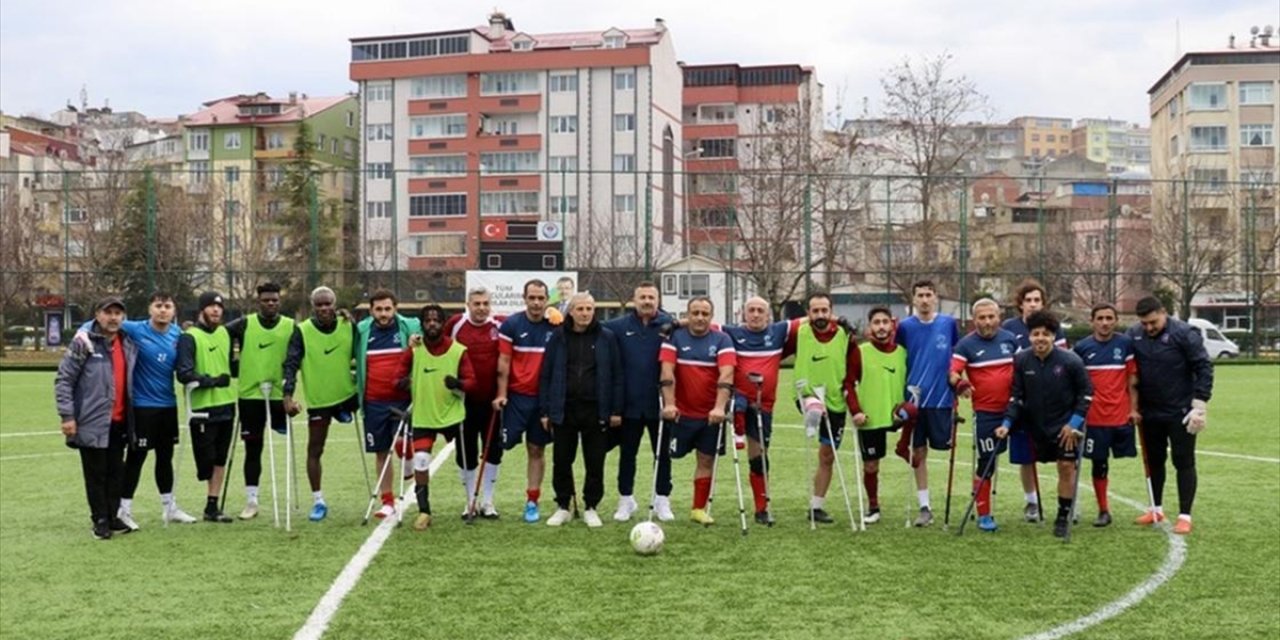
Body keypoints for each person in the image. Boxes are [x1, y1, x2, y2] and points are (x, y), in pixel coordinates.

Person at [74, 291, 198, 527]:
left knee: (165, 458)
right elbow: (100, 323)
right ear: (150, 308)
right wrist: (82, 331)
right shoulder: (134, 328)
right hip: (141, 407)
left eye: (168, 306)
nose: (163, 310)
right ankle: (124, 510)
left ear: (174, 311)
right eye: (158, 305)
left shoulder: (178, 335)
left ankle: (169, 507)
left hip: (168, 406)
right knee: (136, 458)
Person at [1002, 311, 1093, 538]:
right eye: (1035, 334)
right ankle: (1032, 504)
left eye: (1045, 334)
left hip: (1066, 427)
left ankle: (1063, 516)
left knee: (1065, 467)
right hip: (1035, 427)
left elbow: (1087, 395)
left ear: (1053, 336)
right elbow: (1016, 396)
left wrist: (1073, 424)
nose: (1040, 338)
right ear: (1029, 336)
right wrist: (1006, 423)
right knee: (1026, 464)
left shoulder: (1071, 361)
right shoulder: (1021, 360)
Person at [1127, 296, 1213, 535]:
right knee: (1154, 461)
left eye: (1153, 322)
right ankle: (1156, 508)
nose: (1149, 328)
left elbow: (1203, 366)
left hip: (1181, 412)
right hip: (1150, 412)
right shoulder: (1133, 335)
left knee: (1183, 461)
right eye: (1144, 323)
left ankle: (1185, 515)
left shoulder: (1185, 334)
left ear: (1163, 313)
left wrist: (1200, 404)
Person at [539, 293, 624, 528]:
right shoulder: (558, 337)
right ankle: (563, 506)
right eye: (580, 309)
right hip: (564, 409)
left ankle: (591, 506)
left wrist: (616, 410)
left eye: (589, 308)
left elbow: (617, 375)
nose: (585, 313)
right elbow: (546, 374)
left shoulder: (607, 337)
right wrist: (545, 410)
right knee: (562, 460)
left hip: (596, 410)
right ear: (571, 312)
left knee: (595, 461)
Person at [56, 296, 136, 539]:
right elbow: (64, 379)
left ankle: (112, 517)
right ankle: (99, 519)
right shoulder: (84, 342)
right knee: (96, 473)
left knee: (116, 472)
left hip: (119, 421)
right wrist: (67, 415)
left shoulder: (128, 343)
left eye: (117, 313)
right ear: (97, 315)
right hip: (91, 421)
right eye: (108, 312)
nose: (113, 318)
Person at [721, 296, 803, 525]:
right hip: (739, 399)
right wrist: (677, 324)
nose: (756, 314)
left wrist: (840, 320)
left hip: (764, 405)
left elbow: (811, 318)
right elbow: (703, 323)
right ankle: (736, 428)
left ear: (768, 315)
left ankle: (761, 508)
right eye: (751, 310)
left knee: (759, 458)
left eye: (760, 311)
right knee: (738, 406)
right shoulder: (732, 332)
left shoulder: (778, 332)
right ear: (743, 314)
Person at [282, 286, 360, 522]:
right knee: (315, 449)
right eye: (320, 305)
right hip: (319, 401)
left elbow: (364, 349)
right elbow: (291, 364)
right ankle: (318, 500)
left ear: (335, 305)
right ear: (313, 307)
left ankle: (343, 411)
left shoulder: (348, 325)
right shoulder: (302, 331)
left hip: (348, 395)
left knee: (364, 403)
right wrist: (288, 396)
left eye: (328, 304)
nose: (325, 308)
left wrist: (352, 317)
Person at [396, 305, 476, 530]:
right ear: (422, 324)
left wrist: (458, 384)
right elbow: (397, 376)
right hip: (424, 414)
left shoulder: (458, 350)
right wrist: (403, 383)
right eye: (428, 320)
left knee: (466, 458)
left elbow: (472, 381)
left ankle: (471, 502)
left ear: (443, 323)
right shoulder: (414, 349)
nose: (432, 324)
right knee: (421, 460)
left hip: (452, 414)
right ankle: (424, 511)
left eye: (436, 320)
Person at [603, 281, 676, 522]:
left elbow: (703, 325)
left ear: (658, 300)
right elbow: (589, 324)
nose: (646, 301)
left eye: (651, 297)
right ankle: (626, 500)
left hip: (660, 404)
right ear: (634, 300)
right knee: (627, 455)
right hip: (629, 405)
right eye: (642, 297)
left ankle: (662, 499)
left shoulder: (669, 325)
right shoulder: (619, 326)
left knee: (662, 454)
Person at [660, 296, 736, 525]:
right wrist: (670, 403)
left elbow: (727, 375)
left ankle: (698, 509)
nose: (700, 318)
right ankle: (662, 502)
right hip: (680, 413)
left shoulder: (723, 340)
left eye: (705, 313)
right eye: (695, 313)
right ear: (687, 315)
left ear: (712, 317)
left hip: (709, 416)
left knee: (705, 460)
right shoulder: (674, 337)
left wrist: (720, 408)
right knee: (665, 456)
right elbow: (666, 373)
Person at [224, 282, 294, 520]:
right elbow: (219, 335)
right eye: (266, 300)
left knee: (282, 442)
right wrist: (231, 364)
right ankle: (252, 500)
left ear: (279, 301)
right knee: (253, 449)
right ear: (259, 302)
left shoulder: (290, 326)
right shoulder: (244, 324)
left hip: (278, 396)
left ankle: (289, 498)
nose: (271, 303)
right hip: (250, 396)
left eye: (274, 300)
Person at [895, 279, 961, 526]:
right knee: (919, 452)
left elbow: (956, 356)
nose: (924, 300)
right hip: (914, 401)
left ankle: (952, 501)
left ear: (936, 298)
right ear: (913, 299)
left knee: (945, 450)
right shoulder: (905, 327)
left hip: (942, 399)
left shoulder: (948, 324)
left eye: (928, 295)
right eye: (920, 295)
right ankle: (925, 506)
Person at [1002, 279, 1068, 522]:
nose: (1032, 304)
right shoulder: (1008, 327)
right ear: (1020, 304)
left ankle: (1068, 503)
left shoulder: (1054, 328)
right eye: (1028, 300)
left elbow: (1063, 361)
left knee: (1063, 457)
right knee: (1025, 455)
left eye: (1037, 300)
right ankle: (1031, 502)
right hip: (1023, 401)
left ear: (1043, 303)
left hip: (1052, 404)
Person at [950, 298, 1019, 532]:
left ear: (999, 317)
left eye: (991, 316)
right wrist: (961, 385)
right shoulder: (966, 345)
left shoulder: (1010, 340)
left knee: (1030, 455)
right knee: (986, 463)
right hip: (987, 413)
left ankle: (1033, 504)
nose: (987, 322)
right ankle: (984, 514)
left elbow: (1024, 367)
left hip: (1015, 408)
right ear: (974, 320)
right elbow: (953, 373)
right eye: (982, 317)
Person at [794, 292, 862, 524]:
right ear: (808, 313)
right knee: (812, 404)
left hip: (835, 403)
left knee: (827, 456)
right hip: (807, 393)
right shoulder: (800, 331)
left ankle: (816, 506)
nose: (820, 315)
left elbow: (854, 363)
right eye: (815, 311)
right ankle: (811, 413)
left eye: (824, 310)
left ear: (831, 311)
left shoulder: (843, 334)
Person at [493, 279, 556, 523]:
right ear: (524, 298)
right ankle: (486, 500)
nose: (537, 303)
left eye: (541, 298)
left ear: (546, 300)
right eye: (532, 298)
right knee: (502, 445)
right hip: (516, 398)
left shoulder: (555, 325)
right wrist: (501, 394)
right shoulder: (512, 325)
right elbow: (504, 363)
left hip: (542, 399)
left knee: (536, 448)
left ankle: (532, 500)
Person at [1073, 303, 1141, 528]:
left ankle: (1155, 507)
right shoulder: (1082, 348)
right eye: (1100, 318)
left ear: (1116, 320)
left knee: (1131, 459)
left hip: (1121, 416)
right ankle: (1103, 510)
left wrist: (1133, 409)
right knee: (1099, 464)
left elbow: (1132, 380)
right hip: (1094, 418)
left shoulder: (1125, 344)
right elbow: (1076, 384)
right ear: (1092, 321)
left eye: (1109, 318)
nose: (1104, 323)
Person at [354, 289, 419, 520]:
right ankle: (388, 501)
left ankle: (409, 461)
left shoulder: (409, 327)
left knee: (401, 442)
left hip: (401, 400)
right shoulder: (362, 331)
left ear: (395, 308)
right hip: (373, 402)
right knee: (381, 452)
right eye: (378, 309)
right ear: (371, 311)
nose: (383, 313)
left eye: (387, 308)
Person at [175, 291, 236, 523]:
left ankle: (212, 505)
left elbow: (229, 365)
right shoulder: (189, 337)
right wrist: (211, 380)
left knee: (221, 458)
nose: (216, 311)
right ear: (202, 310)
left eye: (219, 307)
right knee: (206, 462)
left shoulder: (224, 333)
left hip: (227, 405)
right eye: (211, 307)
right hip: (201, 409)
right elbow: (184, 373)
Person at [446, 287, 504, 518]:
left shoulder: (499, 325)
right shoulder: (455, 324)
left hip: (493, 402)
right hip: (464, 402)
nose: (481, 308)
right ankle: (470, 501)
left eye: (485, 303)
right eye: (477, 303)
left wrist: (552, 316)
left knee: (493, 452)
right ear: (467, 304)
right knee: (466, 452)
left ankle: (488, 501)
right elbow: (437, 344)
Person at [854, 305, 908, 525]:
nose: (881, 327)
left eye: (885, 322)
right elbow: (848, 382)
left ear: (892, 325)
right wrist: (856, 410)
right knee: (871, 466)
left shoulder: (903, 352)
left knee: (918, 455)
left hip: (899, 415)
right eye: (877, 322)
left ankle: (924, 505)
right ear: (870, 327)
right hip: (871, 417)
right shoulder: (861, 351)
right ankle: (873, 506)